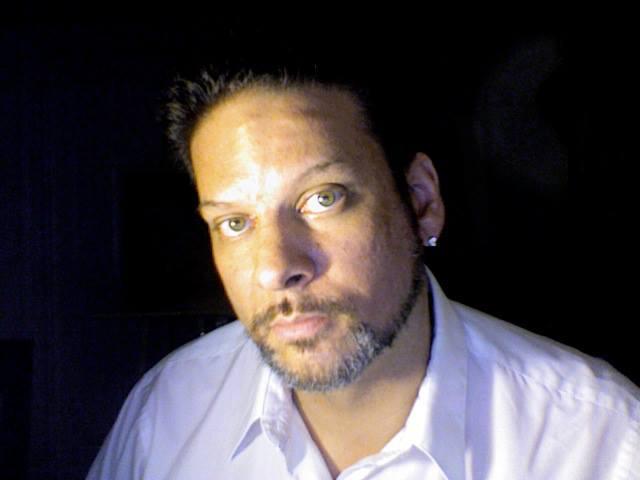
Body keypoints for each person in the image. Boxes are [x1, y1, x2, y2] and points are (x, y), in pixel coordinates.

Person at [87, 65, 640, 479]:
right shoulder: (165, 411)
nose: (276, 268)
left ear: (421, 201)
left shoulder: (602, 441)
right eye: (235, 223)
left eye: (323, 198)